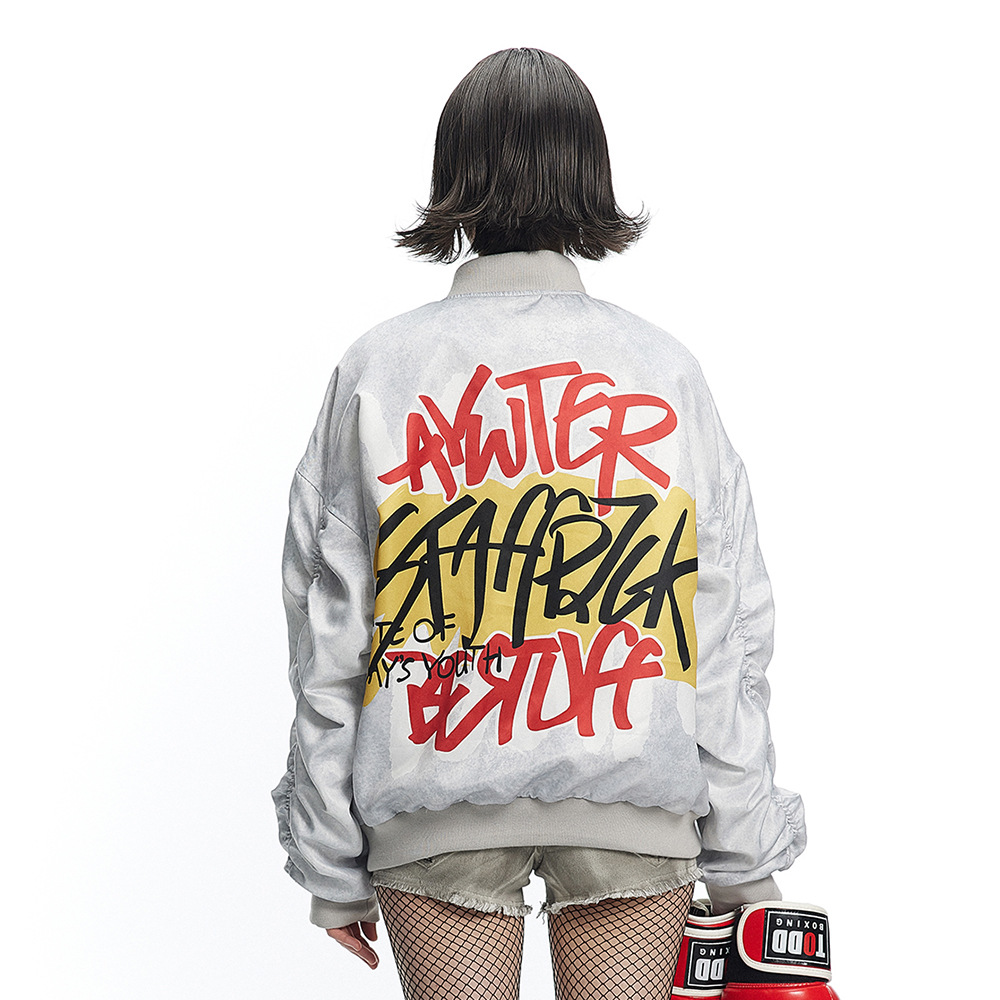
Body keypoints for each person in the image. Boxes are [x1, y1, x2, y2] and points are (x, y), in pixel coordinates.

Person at [270, 46, 806, 999]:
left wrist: (328, 860)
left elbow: (329, 630)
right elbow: (720, 628)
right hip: (631, 796)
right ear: (590, 172)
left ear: (454, 174)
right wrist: (745, 856)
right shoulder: (663, 369)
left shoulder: (380, 368)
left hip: (432, 796)